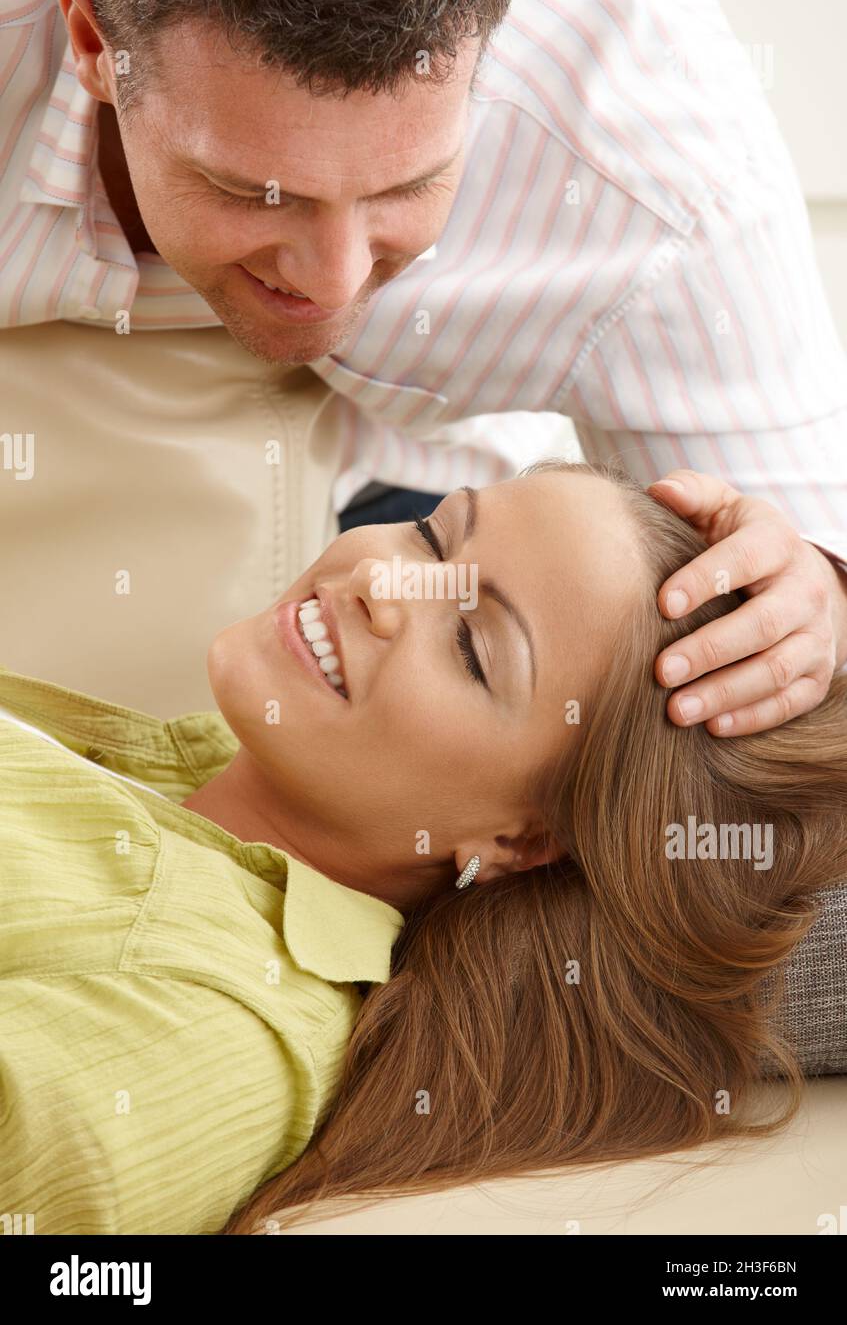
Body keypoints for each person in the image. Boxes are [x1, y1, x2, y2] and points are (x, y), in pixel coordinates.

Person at [2, 0, 847, 729]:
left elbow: (802, 601)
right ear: (92, 44)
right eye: (249, 190)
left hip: (412, 494)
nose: (330, 281)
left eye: (406, 186)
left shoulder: (660, 181)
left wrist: (813, 602)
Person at [1, 460, 844, 1235]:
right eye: (432, 533)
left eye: (472, 649)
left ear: (521, 842)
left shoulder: (210, 1030)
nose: (378, 579)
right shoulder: (195, 767)